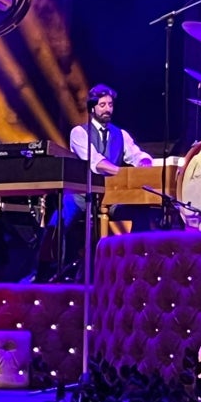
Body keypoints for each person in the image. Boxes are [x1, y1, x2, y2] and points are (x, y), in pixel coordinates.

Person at [42, 84, 152, 278]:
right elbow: (96, 162)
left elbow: (136, 154)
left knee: (142, 211)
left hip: (111, 197)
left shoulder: (121, 134)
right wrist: (123, 174)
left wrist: (144, 163)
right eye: (102, 105)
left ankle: (137, 267)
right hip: (80, 195)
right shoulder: (79, 133)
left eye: (110, 104)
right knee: (56, 224)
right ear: (93, 108)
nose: (108, 109)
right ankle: (46, 273)